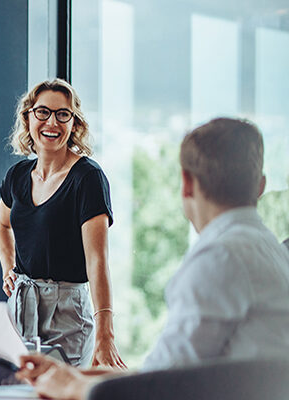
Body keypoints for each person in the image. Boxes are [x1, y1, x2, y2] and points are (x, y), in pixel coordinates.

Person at [16, 118, 289, 399]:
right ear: (260, 186)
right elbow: (167, 371)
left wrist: (72, 387)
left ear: (186, 185)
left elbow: (158, 390)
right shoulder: (273, 253)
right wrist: (73, 374)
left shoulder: (220, 259)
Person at [0, 78, 124, 368]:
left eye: (62, 114)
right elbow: (2, 225)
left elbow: (97, 261)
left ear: (74, 124)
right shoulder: (17, 175)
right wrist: (7, 268)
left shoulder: (88, 178)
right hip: (20, 307)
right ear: (28, 117)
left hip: (67, 313)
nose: (51, 122)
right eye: (42, 112)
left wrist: (106, 333)